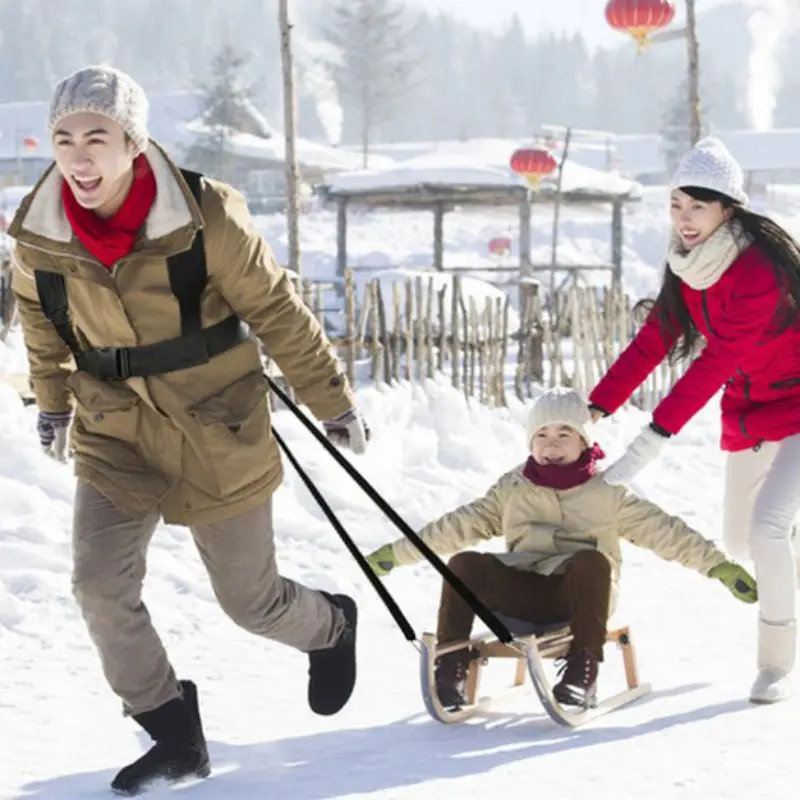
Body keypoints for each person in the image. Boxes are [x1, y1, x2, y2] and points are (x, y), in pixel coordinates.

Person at [9, 65, 369, 795]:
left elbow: (276, 310)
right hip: (116, 431)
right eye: (63, 139)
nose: (78, 157)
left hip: (216, 425)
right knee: (98, 584)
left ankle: (330, 626)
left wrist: (330, 399)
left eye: (97, 138)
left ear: (134, 143)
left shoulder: (206, 214)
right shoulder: (40, 229)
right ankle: (171, 728)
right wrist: (51, 403)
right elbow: (44, 327)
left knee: (251, 603)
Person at [365, 386, 755, 710]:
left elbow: (667, 533)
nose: (551, 446)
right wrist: (396, 554)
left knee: (590, 560)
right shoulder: (513, 488)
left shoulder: (609, 492)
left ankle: (581, 673)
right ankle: (449, 667)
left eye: (563, 435)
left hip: (577, 599)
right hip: (521, 593)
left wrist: (719, 567)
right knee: (464, 562)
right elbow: (457, 526)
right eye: (542, 436)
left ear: (584, 440)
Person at [588, 136, 800, 705]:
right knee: (739, 539)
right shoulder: (689, 263)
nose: (684, 219)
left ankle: (777, 666)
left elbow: (716, 360)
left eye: (697, 208)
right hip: (752, 410)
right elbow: (657, 336)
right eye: (677, 205)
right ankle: (788, 569)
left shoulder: (757, 268)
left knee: (769, 529)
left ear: (728, 208)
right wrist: (595, 407)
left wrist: (648, 444)